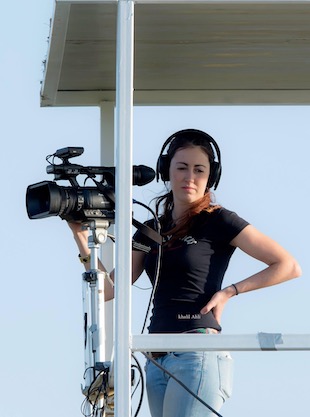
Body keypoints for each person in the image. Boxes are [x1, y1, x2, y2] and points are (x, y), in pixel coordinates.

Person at [68, 129, 301, 417]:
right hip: (156, 358)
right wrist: (79, 233)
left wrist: (230, 292)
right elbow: (109, 289)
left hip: (197, 353)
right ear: (167, 171)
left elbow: (288, 265)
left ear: (210, 178)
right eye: (181, 167)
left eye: (199, 170)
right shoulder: (152, 228)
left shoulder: (219, 220)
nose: (190, 176)